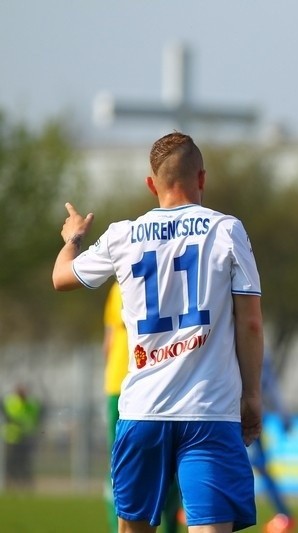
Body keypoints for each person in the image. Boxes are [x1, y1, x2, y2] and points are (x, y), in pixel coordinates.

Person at [52, 131, 264, 533]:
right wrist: (251, 396)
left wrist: (73, 238)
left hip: (142, 410)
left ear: (152, 184)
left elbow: (61, 277)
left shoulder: (122, 235)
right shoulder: (226, 229)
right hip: (210, 412)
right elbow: (250, 322)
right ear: (202, 178)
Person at [102, 281, 182, 533]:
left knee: (119, 467)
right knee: (172, 460)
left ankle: (121, 528)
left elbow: (109, 342)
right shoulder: (171, 279)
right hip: (162, 381)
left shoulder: (121, 283)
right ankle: (169, 525)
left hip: (121, 384)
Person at [251, 351, 295, 533]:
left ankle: (284, 515)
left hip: (245, 417)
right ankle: (284, 514)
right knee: (257, 465)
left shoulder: (257, 352)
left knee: (257, 465)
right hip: (246, 416)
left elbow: (269, 386)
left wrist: (283, 413)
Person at [2, 383, 42, 490]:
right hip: (12, 438)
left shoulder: (31, 404)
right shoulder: (10, 402)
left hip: (25, 437)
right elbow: (9, 417)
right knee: (11, 463)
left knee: (25, 463)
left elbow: (35, 418)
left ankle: (25, 484)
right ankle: (10, 484)